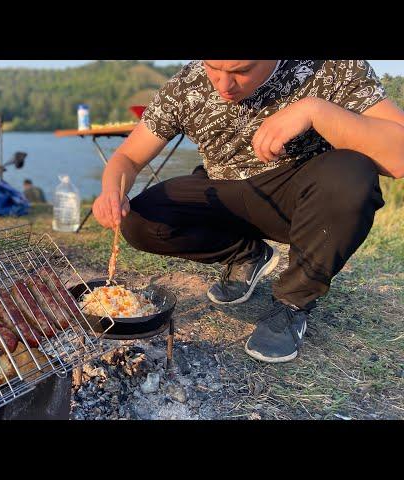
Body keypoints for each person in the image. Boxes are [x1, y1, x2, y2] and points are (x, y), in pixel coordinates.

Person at [92, 60, 404, 363]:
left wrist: (315, 111)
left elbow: (398, 157)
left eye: (242, 71)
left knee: (352, 173)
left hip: (298, 199)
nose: (225, 84)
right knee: (140, 219)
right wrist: (110, 191)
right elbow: (128, 159)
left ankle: (291, 303)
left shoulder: (331, 67)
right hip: (224, 191)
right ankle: (247, 255)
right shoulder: (186, 85)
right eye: (214, 68)